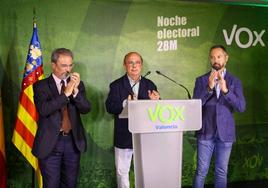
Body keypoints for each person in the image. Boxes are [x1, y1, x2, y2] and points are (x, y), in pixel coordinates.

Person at [32, 48, 91, 188]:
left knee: (70, 184)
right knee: (51, 184)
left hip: (72, 141)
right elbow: (44, 110)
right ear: (53, 65)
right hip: (50, 143)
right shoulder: (41, 86)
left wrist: (75, 92)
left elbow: (86, 109)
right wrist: (65, 94)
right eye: (64, 66)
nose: (68, 70)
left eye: (70, 65)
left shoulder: (78, 85)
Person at [192, 45, 246, 188]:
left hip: (226, 133)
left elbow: (241, 107)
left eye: (219, 56)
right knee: (201, 172)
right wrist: (209, 88)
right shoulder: (201, 80)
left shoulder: (235, 81)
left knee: (221, 172)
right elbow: (194, 106)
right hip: (205, 132)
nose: (215, 60)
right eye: (212, 57)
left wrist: (226, 91)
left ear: (226, 58)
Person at [105, 52, 160, 188]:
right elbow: (110, 107)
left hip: (145, 136)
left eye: (137, 63)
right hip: (124, 135)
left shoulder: (149, 84)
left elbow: (158, 110)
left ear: (141, 65)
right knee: (122, 172)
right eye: (130, 62)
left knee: (147, 171)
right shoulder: (116, 85)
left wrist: (157, 101)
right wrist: (125, 103)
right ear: (125, 66)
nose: (134, 66)